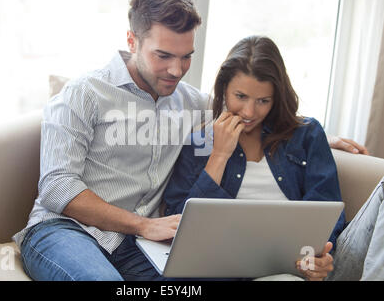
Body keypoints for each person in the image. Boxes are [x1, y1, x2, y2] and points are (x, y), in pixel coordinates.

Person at [13, 0, 369, 281]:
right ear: (131, 40)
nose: (176, 70)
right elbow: (57, 187)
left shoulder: (190, 101)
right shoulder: (84, 95)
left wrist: (315, 134)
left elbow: (249, 107)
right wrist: (143, 225)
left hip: (138, 248)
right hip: (66, 232)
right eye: (163, 55)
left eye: (186, 57)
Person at [163, 35, 384, 281]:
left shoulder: (306, 135)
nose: (249, 112)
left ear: (276, 97)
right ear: (224, 89)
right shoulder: (199, 144)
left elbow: (326, 210)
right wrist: (220, 155)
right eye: (241, 96)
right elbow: (178, 226)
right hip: (225, 271)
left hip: (302, 266)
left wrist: (319, 255)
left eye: (263, 101)